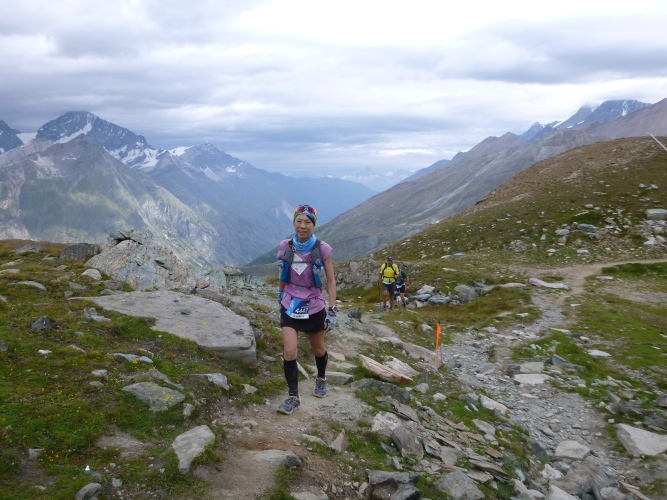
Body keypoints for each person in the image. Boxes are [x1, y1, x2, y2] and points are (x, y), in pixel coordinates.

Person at [276, 204, 337, 415]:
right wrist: (280, 294)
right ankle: (294, 396)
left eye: (307, 222)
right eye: (299, 221)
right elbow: (283, 273)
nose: (302, 226)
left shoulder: (323, 249)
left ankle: (321, 377)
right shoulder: (285, 246)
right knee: (290, 351)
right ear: (294, 222)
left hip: (314, 305)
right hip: (290, 304)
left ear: (314, 225)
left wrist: (332, 309)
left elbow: (331, 280)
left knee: (318, 349)